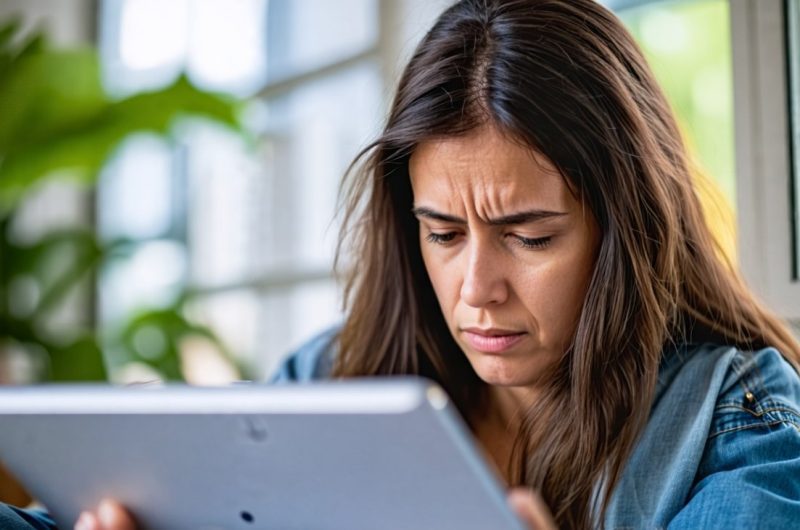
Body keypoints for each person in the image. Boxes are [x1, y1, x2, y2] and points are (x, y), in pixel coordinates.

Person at [2, 0, 799, 528]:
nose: (476, 291)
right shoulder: (327, 376)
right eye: (443, 234)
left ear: (627, 229)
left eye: (530, 236)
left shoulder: (743, 425)